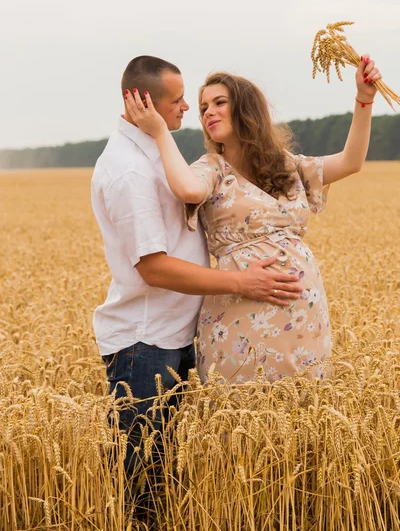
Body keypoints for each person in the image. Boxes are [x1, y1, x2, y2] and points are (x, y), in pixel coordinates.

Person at [91, 56, 303, 478]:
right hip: (145, 345)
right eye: (179, 99)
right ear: (142, 101)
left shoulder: (153, 152)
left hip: (176, 335)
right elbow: (155, 269)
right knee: (144, 485)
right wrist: (242, 281)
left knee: (172, 473)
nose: (188, 107)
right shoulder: (128, 171)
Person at [125, 54, 381, 384]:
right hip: (240, 315)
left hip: (304, 318)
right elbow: (188, 190)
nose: (208, 113)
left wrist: (364, 99)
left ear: (245, 109)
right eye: (203, 108)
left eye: (219, 103)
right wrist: (161, 132)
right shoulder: (211, 168)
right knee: (245, 417)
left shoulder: (288, 165)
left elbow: (351, 161)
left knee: (304, 418)